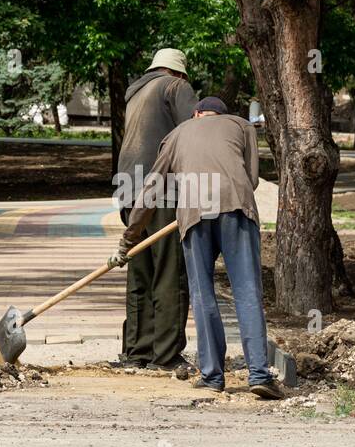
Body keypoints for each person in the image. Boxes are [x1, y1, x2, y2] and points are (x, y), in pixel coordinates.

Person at [111, 97, 283, 400]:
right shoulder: (242, 126)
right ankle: (259, 374)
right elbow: (252, 179)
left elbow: (151, 187)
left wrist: (129, 239)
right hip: (237, 210)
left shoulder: (177, 133)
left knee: (203, 295)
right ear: (222, 115)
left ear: (196, 114)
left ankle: (212, 376)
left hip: (193, 214)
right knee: (247, 293)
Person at [113, 48, 198, 370]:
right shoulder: (175, 87)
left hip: (128, 188)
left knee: (140, 273)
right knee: (170, 273)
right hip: (162, 189)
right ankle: (166, 355)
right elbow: (193, 133)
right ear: (178, 72)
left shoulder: (136, 91)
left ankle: (137, 351)